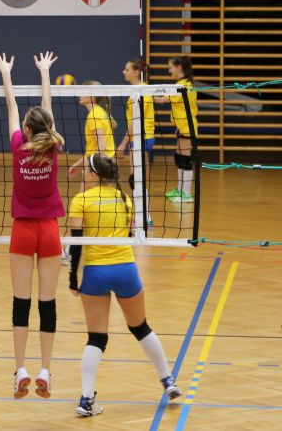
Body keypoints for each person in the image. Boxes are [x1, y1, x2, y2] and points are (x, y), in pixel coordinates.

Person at [66, 153, 181, 417]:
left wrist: (73, 279)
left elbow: (76, 244)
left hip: (95, 273)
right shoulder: (124, 199)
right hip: (125, 269)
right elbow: (129, 234)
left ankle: (86, 399)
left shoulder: (81, 200)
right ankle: (168, 381)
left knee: (96, 338)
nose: (84, 174)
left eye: (86, 171)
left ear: (94, 175)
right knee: (141, 328)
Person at [0, 51, 65, 399]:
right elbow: (46, 109)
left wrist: (7, 74)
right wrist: (45, 73)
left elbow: (11, 105)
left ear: (27, 129)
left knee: (21, 303)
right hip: (49, 231)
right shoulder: (53, 146)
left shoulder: (18, 146)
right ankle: (45, 371)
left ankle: (20, 368)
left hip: (22, 230)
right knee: (47, 304)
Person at [117, 59, 157, 228]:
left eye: (127, 69)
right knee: (136, 179)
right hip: (142, 137)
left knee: (136, 179)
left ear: (135, 72)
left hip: (141, 137)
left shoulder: (140, 93)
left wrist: (123, 144)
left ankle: (144, 217)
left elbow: (135, 122)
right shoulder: (140, 90)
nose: (123, 72)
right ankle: (144, 216)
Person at [155, 57, 198, 203]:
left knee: (185, 159)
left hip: (187, 126)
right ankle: (180, 190)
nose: (169, 71)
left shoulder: (183, 85)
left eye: (171, 68)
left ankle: (186, 193)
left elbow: (162, 100)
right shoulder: (182, 84)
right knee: (179, 157)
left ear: (179, 68)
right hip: (181, 126)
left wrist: (144, 93)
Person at [68, 81, 116, 178]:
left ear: (91, 96)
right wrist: (80, 164)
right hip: (106, 161)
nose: (79, 95)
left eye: (82, 92)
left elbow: (101, 146)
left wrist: (92, 167)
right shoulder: (101, 112)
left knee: (87, 188)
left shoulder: (94, 115)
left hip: (99, 164)